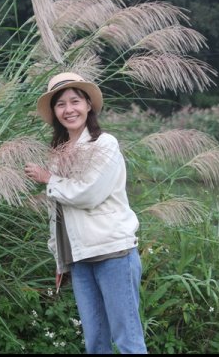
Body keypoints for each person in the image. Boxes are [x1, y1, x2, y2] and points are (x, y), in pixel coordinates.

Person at [24, 72, 147, 354]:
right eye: (61, 104)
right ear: (54, 112)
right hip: (80, 260)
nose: (69, 110)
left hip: (113, 254)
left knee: (127, 340)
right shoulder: (59, 153)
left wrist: (48, 179)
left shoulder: (105, 144)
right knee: (94, 343)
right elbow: (57, 215)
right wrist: (60, 261)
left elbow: (89, 194)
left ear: (89, 104)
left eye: (75, 101)